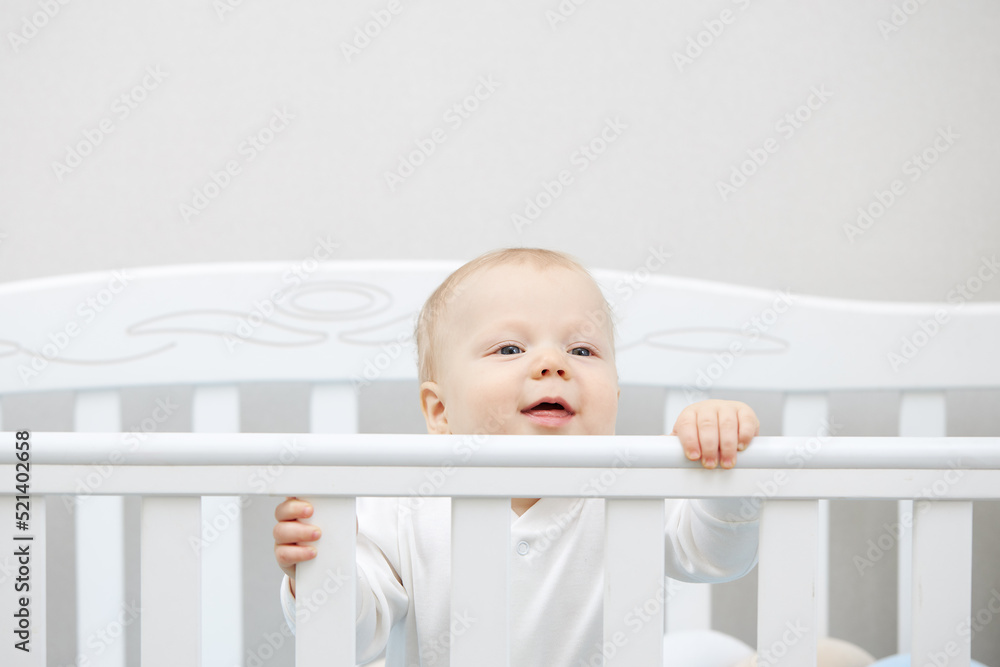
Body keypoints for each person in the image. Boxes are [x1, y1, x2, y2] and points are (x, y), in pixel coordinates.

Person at [273, 247, 762, 665]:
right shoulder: (402, 503)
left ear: (615, 392)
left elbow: (717, 556)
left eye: (583, 351)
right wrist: (324, 569)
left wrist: (719, 462)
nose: (553, 363)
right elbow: (353, 639)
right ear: (440, 410)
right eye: (509, 348)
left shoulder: (634, 485)